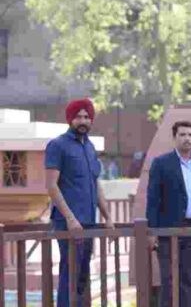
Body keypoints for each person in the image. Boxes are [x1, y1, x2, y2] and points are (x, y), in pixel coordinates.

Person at [45, 98, 115, 307]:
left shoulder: (90, 147)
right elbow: (51, 186)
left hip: (89, 221)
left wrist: (108, 217)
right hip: (68, 222)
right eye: (78, 117)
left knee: (82, 276)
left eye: (86, 117)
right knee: (70, 273)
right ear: (70, 119)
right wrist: (70, 218)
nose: (83, 121)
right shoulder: (57, 145)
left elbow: (96, 184)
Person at [146, 121, 191, 307]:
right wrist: (152, 231)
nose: (187, 139)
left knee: (189, 281)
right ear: (174, 138)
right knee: (168, 281)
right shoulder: (161, 163)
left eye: (190, 135)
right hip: (168, 231)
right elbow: (153, 199)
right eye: (182, 135)